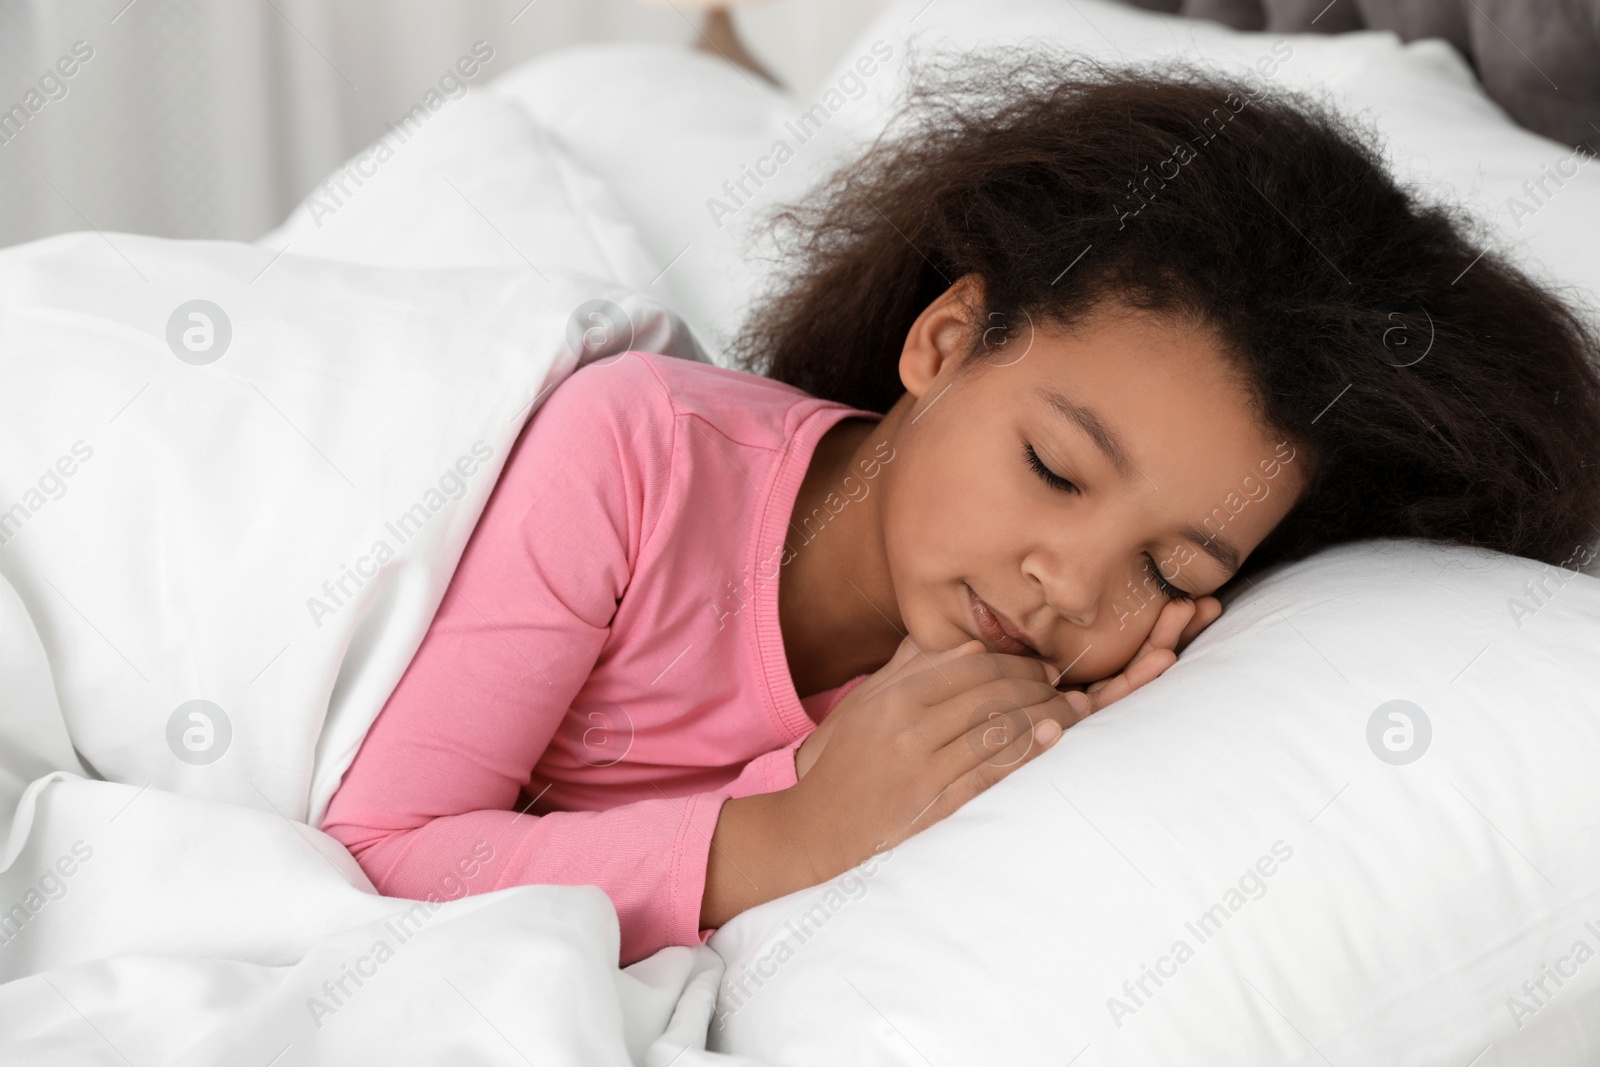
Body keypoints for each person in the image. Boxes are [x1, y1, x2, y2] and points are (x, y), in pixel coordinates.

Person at [320, 52, 1600, 966]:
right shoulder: (641, 452)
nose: (1073, 585)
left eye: (1167, 566)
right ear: (942, 339)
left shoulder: (1004, 696)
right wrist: (782, 838)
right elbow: (378, 852)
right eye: (1053, 466)